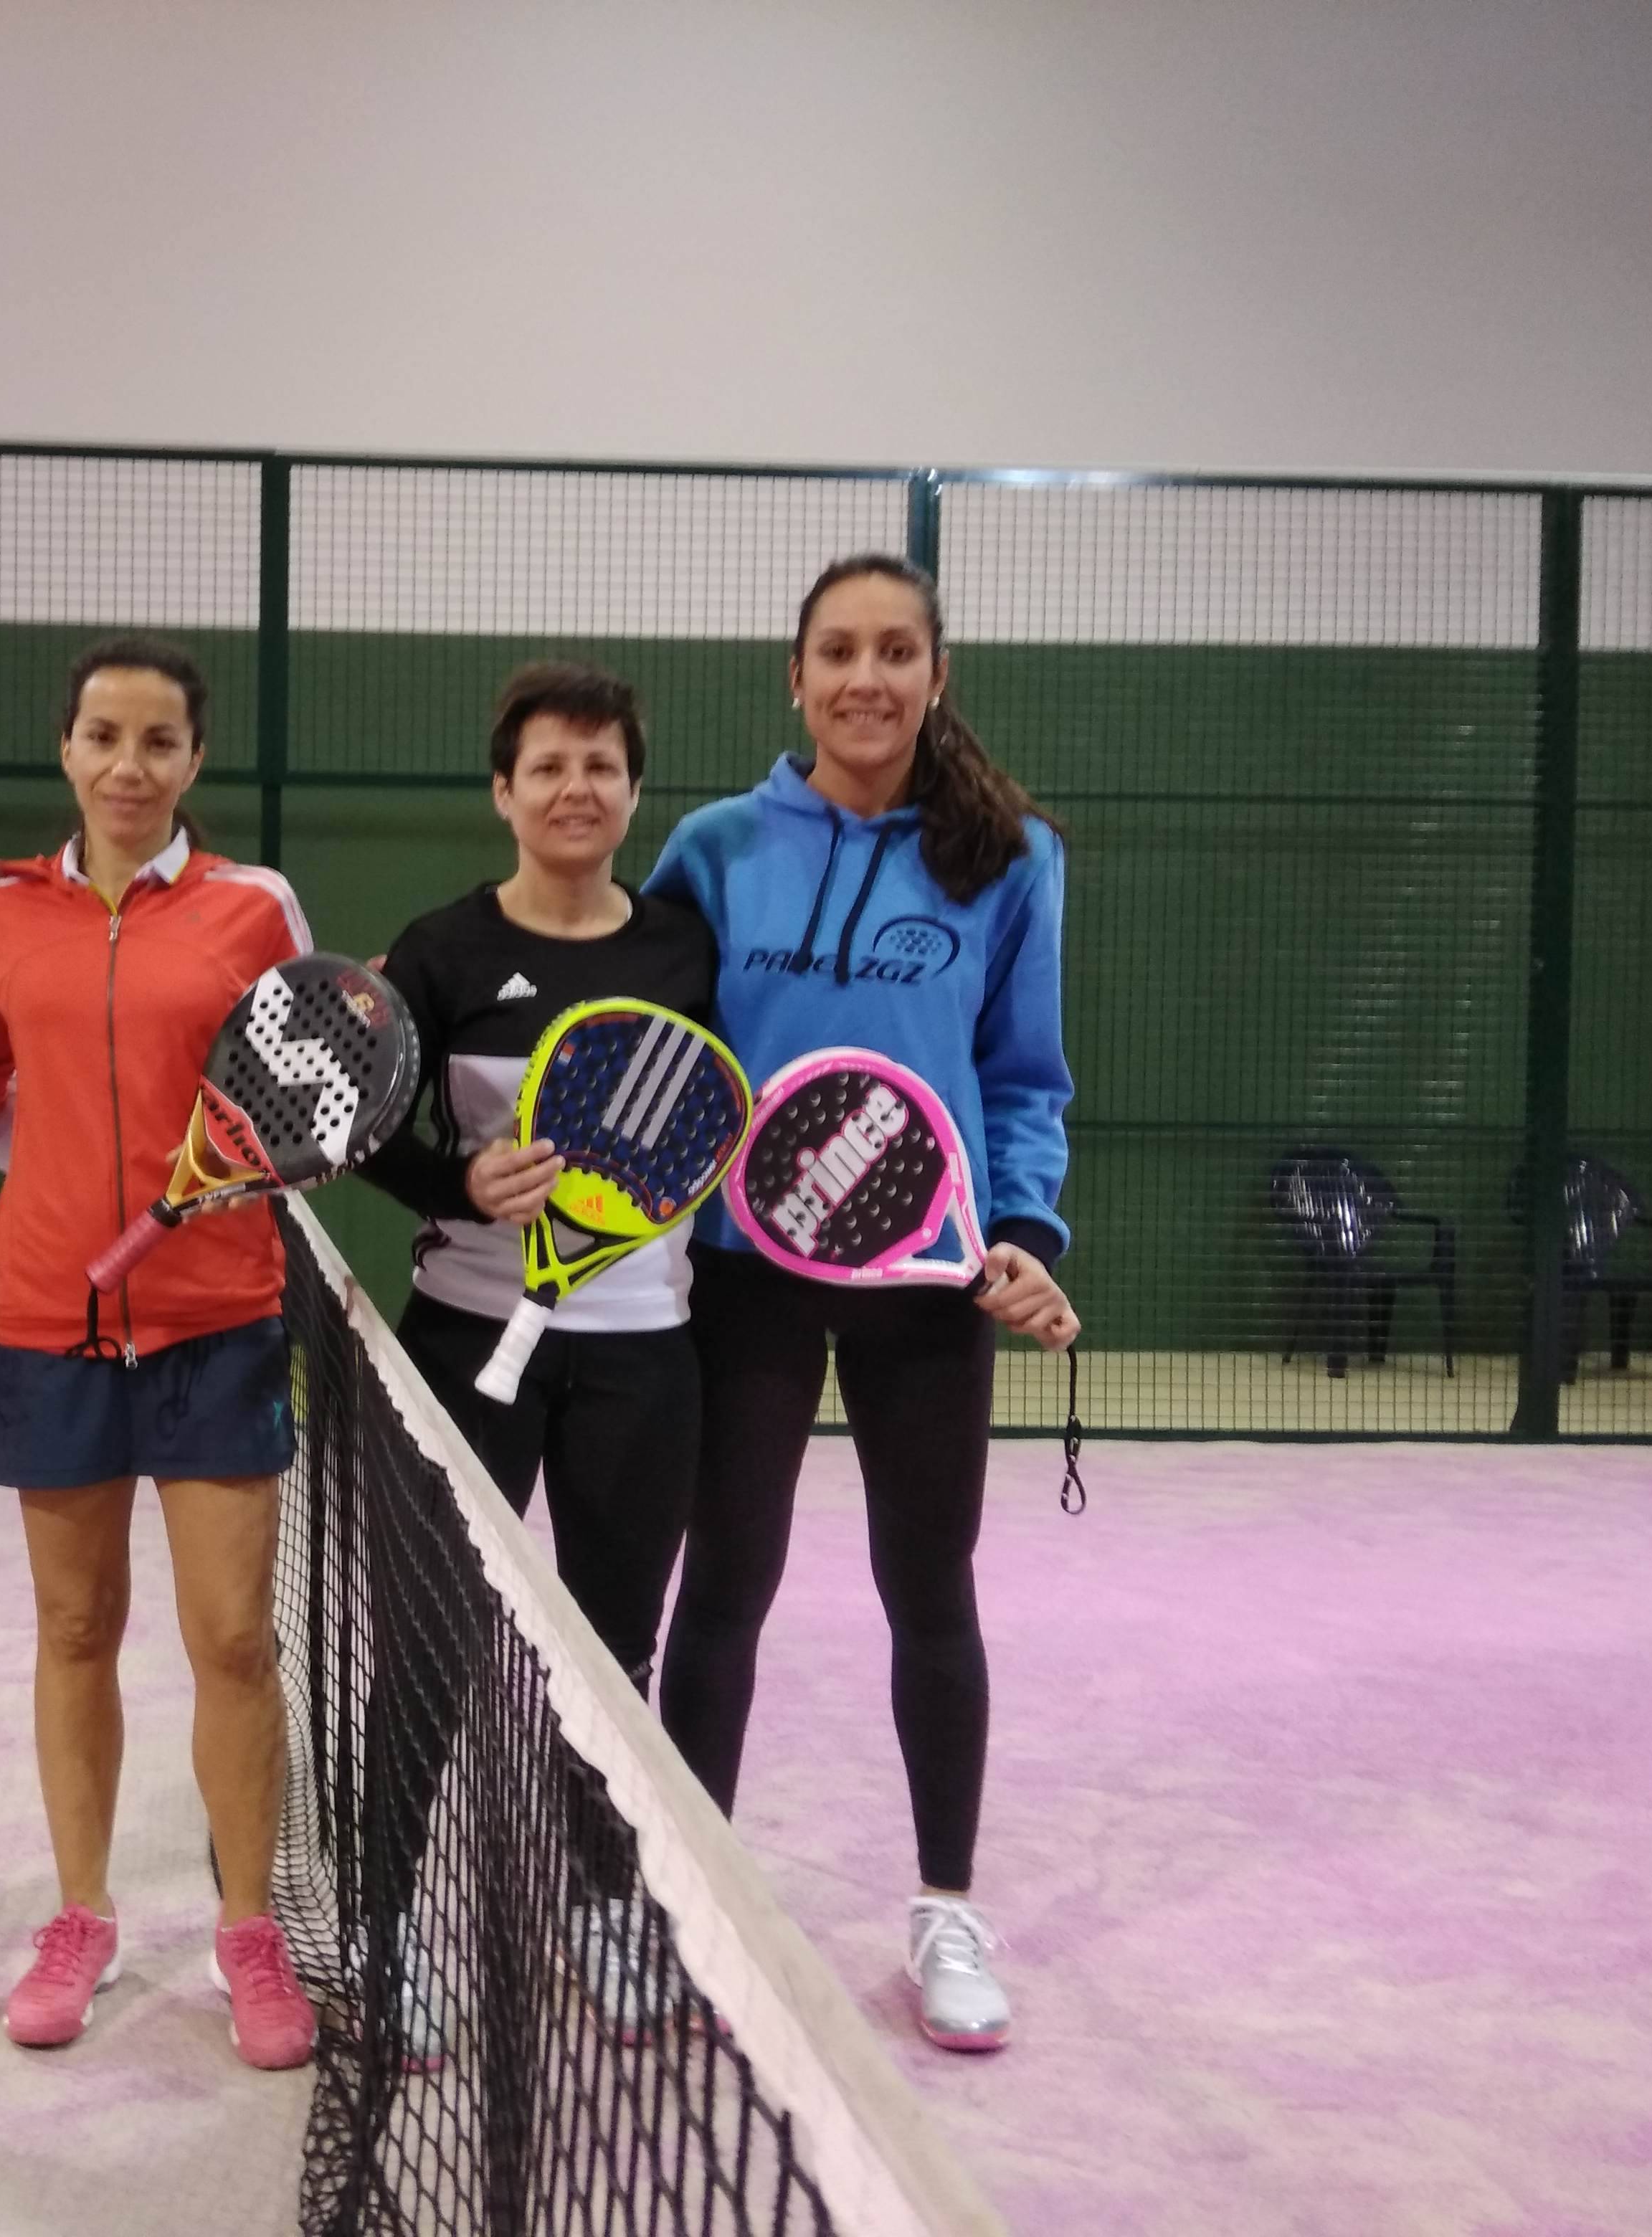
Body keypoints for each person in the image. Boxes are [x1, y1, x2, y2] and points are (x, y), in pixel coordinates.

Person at [645, 554, 1078, 2053]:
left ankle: (946, 1909)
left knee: (930, 1589)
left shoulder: (1012, 857)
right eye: (838, 651)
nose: (867, 680)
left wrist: (1020, 1231)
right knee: (723, 1586)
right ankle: (689, 1903)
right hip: (741, 1274)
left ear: (937, 675)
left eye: (897, 652)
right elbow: (647, 1039)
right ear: (796, 676)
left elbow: (1024, 1077)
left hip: (928, 1282)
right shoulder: (712, 848)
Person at [0, 635, 321, 2070]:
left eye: (158, 741)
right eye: (103, 735)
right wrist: (48, 1171)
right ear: (66, 749)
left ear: (194, 759)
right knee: (73, 1630)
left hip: (217, 1320)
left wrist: (210, 1187)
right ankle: (82, 1915)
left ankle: (247, 1927)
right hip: (50, 1320)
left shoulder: (252, 908)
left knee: (231, 1637)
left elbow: (300, 1090)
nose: (128, 765)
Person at [352, 662, 719, 2055]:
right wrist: (457, 1185)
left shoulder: (684, 952)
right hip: (465, 1345)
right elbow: (366, 1118)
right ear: (503, 792)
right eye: (549, 766)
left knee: (616, 1651)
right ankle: (385, 1923)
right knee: (429, 1641)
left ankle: (604, 1902)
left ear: (633, 791)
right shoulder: (441, 950)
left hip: (643, 1358)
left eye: (601, 765)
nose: (577, 789)